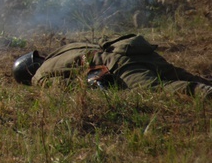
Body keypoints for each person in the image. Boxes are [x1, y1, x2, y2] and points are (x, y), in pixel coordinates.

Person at [12, 34, 212, 99]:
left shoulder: (39, 77)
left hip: (120, 68)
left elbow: (65, 87)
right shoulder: (65, 49)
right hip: (134, 51)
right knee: (182, 75)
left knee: (162, 89)